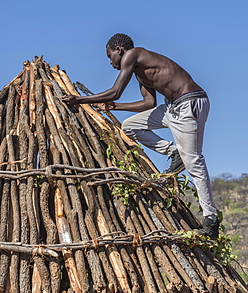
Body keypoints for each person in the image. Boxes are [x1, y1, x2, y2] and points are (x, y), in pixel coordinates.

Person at [62, 33, 219, 238]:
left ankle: (211, 220)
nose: (110, 62)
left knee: (194, 162)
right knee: (130, 126)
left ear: (119, 50)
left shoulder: (134, 54)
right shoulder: (140, 71)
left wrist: (80, 99)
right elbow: (148, 103)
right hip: (171, 108)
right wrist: (114, 106)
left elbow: (116, 90)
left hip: (189, 103)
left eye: (110, 56)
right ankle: (173, 152)